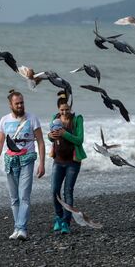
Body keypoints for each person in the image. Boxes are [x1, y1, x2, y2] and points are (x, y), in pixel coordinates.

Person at [0, 90, 46, 241]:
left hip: (27, 159)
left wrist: (42, 163)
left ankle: (22, 229)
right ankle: (17, 227)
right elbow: (0, 143)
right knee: (14, 198)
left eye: (22, 102)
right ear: (11, 105)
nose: (20, 105)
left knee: (24, 196)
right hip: (10, 161)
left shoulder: (32, 119)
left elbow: (40, 141)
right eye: (17, 103)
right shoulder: (4, 120)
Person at [48, 91, 86, 235]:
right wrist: (50, 136)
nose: (64, 112)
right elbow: (51, 137)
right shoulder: (55, 118)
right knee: (54, 191)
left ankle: (66, 222)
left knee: (68, 191)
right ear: (58, 110)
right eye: (62, 110)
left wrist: (65, 134)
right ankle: (58, 217)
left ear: (70, 108)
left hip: (73, 162)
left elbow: (79, 140)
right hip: (58, 161)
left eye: (67, 109)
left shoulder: (77, 119)